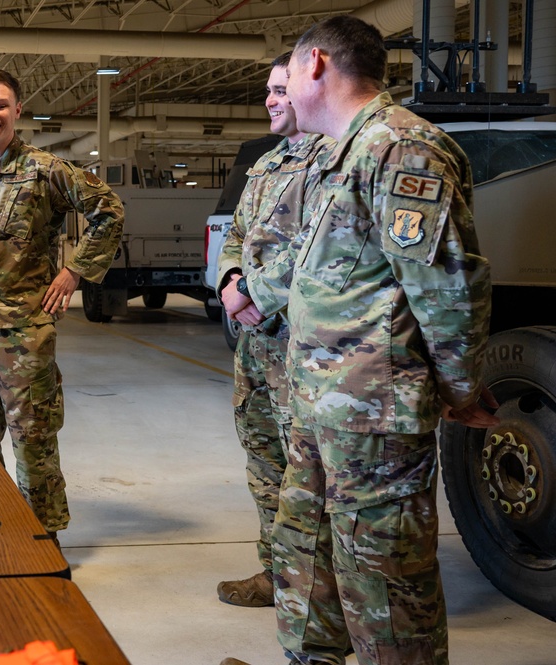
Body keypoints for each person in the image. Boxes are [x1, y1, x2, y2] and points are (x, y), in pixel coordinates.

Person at [220, 15, 497, 665]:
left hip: (374, 416)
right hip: (320, 405)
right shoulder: (340, 154)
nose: (281, 89)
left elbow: (448, 287)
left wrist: (456, 388)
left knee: (384, 580)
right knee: (304, 551)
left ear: (315, 64)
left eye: (286, 72)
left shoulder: (400, 148)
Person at [0, 68, 124, 540]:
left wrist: (75, 271)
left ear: (17, 112)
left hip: (26, 332)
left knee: (33, 441)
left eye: (1, 105)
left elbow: (108, 209)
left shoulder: (45, 171)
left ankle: (40, 536)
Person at [214, 53, 333, 608]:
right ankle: (276, 573)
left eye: (281, 90)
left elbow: (324, 252)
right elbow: (236, 233)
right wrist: (230, 281)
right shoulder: (265, 166)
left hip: (302, 348)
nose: (270, 100)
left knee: (310, 476)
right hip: (255, 346)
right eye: (267, 90)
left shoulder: (334, 161)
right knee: (265, 463)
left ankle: (321, 594)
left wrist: (255, 293)